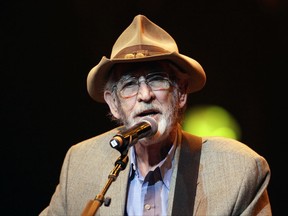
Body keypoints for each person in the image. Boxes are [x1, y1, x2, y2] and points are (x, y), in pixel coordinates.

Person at [39, 14, 272, 216]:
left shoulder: (238, 170)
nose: (145, 94)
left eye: (156, 79)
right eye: (129, 84)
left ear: (181, 92)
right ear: (113, 103)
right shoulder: (80, 164)